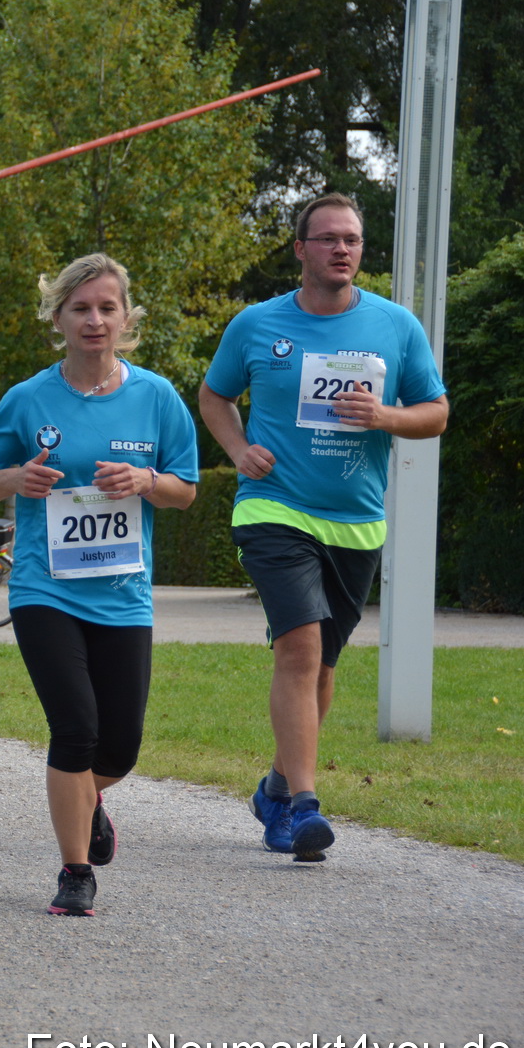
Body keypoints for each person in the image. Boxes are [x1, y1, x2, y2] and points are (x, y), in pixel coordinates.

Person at [199, 193, 448, 861]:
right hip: (273, 506)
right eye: (329, 238)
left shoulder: (396, 326)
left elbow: (436, 411)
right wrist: (237, 449)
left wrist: (386, 417)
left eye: (353, 239)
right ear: (301, 249)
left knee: (324, 669)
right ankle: (303, 807)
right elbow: (213, 393)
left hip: (357, 520)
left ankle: (277, 784)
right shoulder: (256, 324)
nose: (343, 249)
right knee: (300, 649)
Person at [0, 253, 198, 917]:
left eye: (107, 307)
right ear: (58, 317)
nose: (94, 319)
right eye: (80, 308)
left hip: (125, 594)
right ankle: (74, 871)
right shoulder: (29, 398)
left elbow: (186, 489)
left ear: (126, 318)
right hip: (46, 589)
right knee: (77, 727)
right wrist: (14, 480)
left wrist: (146, 481)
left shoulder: (156, 398)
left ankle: (87, 799)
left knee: (121, 742)